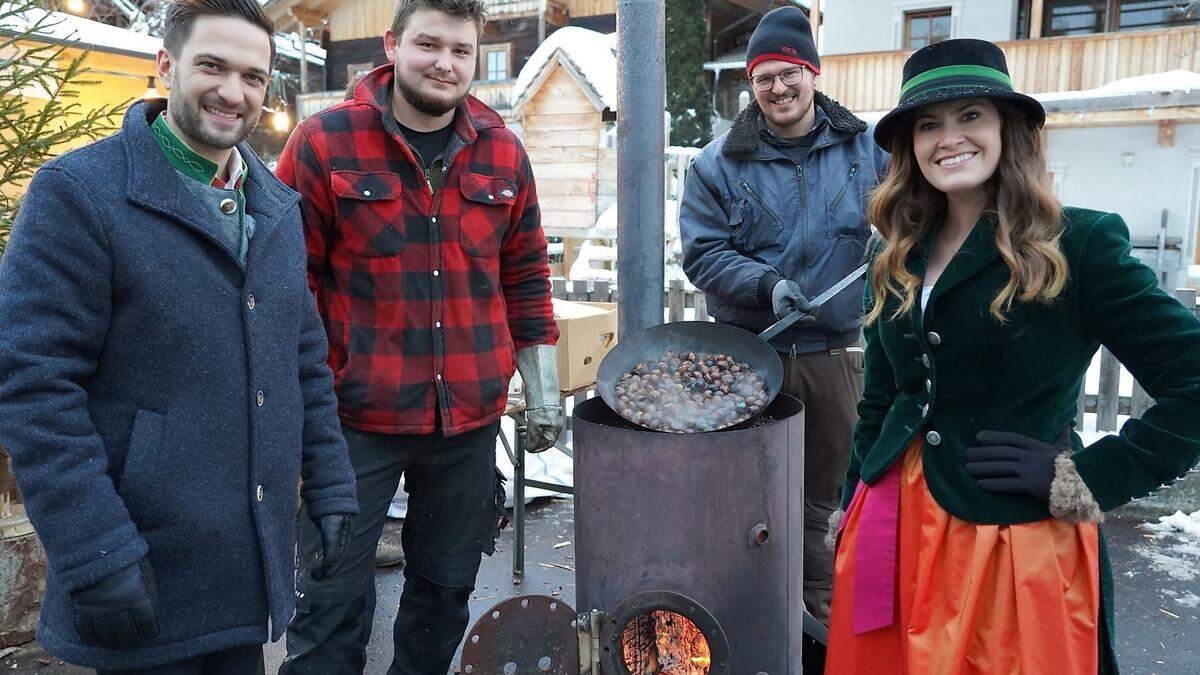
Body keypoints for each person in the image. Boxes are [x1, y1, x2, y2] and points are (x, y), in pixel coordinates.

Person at [0, 1, 359, 673]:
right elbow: (33, 386)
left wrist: (334, 485)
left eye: (253, 76)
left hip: (245, 573)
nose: (234, 92)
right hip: (142, 570)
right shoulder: (79, 194)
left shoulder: (275, 209)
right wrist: (94, 549)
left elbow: (304, 361)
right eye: (212, 67)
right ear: (166, 65)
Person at [825, 38, 1200, 674]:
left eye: (970, 115)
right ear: (909, 147)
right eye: (928, 124)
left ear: (1008, 128)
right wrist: (851, 496)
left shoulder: (1078, 244)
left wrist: (1087, 480)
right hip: (893, 522)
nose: (949, 138)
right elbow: (884, 397)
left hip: (1009, 542)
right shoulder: (893, 253)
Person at [274, 0, 563, 672]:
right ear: (392, 45)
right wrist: (302, 401)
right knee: (329, 603)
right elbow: (290, 287)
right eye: (429, 45)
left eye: (461, 51)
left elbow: (524, 275)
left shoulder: (502, 152)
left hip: (465, 424)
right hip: (354, 424)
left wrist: (542, 385)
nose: (445, 63)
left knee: (443, 595)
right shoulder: (324, 143)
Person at [679, 5, 888, 622]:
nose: (779, 87)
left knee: (827, 497)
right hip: (747, 356)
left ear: (812, 73)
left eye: (790, 72)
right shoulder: (715, 165)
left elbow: (910, 219)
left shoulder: (868, 150)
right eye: (764, 76)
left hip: (835, 355)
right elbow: (703, 255)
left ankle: (820, 618)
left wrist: (893, 238)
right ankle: (742, 614)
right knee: (743, 493)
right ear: (752, 84)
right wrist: (766, 285)